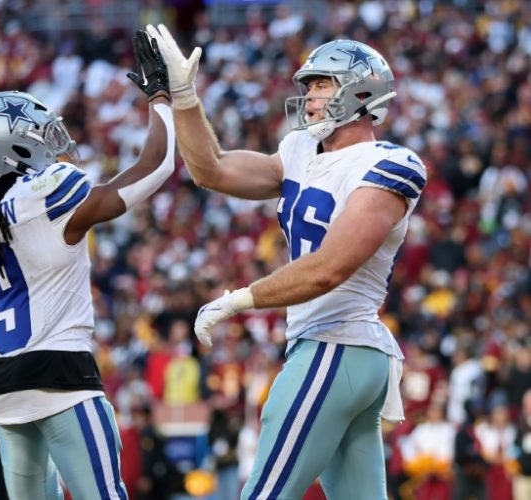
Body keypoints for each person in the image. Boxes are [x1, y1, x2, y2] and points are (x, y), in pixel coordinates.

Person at [147, 25, 427, 499]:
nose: (310, 96)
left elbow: (329, 267)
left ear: (362, 92)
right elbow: (209, 168)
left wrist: (240, 300)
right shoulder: (299, 150)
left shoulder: (388, 163)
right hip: (332, 351)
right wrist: (185, 97)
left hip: (335, 345)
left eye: (322, 85)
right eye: (309, 86)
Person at [0, 30, 175, 499]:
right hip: (62, 374)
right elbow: (157, 165)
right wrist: (161, 97)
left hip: (5, 384)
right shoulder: (48, 191)